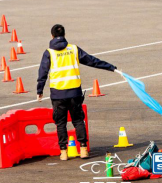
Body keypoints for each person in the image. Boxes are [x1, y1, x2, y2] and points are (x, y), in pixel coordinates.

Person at [37, 25, 119, 161]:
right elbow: (91, 61)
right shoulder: (73, 49)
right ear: (64, 35)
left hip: (58, 94)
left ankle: (63, 152)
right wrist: (110, 67)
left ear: (52, 36)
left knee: (61, 123)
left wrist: (39, 90)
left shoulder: (49, 53)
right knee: (78, 120)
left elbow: (42, 72)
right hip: (74, 93)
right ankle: (83, 149)